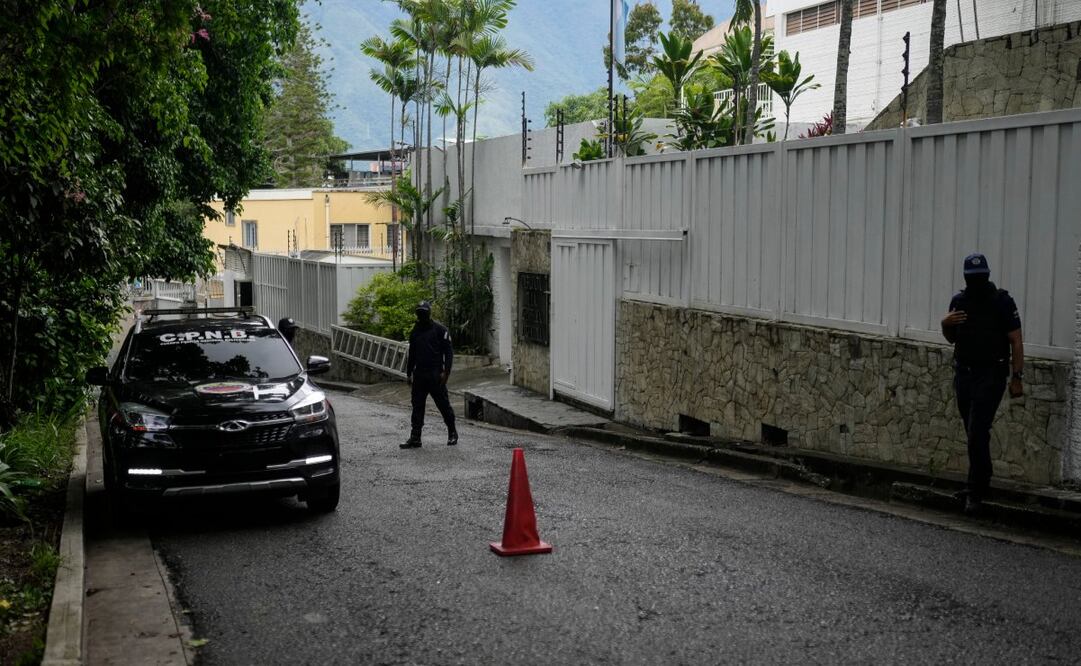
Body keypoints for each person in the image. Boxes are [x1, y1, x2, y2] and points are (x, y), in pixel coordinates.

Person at [941, 253, 1023, 515]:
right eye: (972, 277)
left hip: (991, 374)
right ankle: (980, 480)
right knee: (973, 432)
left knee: (977, 432)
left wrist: (1017, 377)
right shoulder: (959, 301)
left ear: (987, 276)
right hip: (964, 373)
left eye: (979, 277)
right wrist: (944, 323)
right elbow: (951, 339)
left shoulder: (1002, 302)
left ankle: (975, 492)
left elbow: (1016, 341)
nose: (976, 281)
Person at [402, 301, 458, 448]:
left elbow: (449, 352)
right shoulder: (415, 331)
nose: (421, 315)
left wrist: (446, 372)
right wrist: (408, 373)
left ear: (429, 313)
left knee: (443, 405)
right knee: (417, 407)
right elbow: (412, 354)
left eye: (424, 312)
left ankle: (452, 432)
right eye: (419, 312)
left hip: (435, 375)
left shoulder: (440, 330)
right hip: (419, 375)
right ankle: (415, 437)